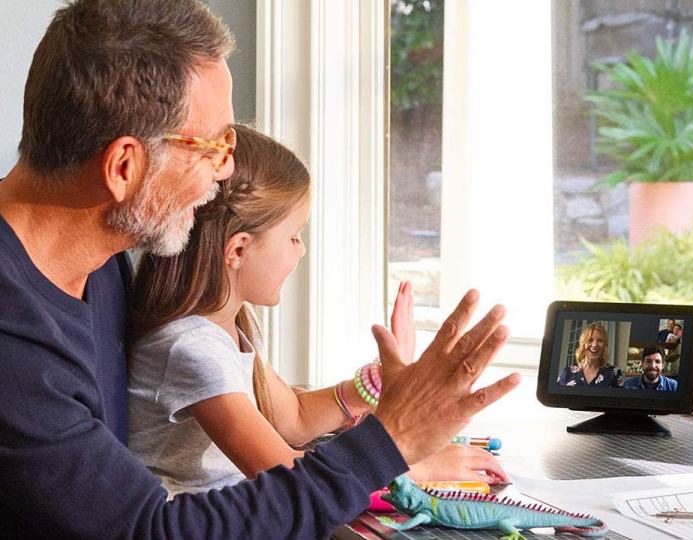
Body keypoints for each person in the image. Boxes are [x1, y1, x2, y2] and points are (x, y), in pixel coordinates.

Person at [0, 1, 520, 538]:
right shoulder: (12, 336)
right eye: (214, 146)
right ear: (125, 167)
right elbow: (153, 531)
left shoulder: (99, 268)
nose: (224, 170)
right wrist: (394, 438)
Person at [126, 125, 508, 498]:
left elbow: (293, 420)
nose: (301, 250)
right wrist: (411, 464)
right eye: (293, 235)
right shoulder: (191, 348)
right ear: (239, 249)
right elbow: (287, 476)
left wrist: (378, 382)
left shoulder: (229, 324)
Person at [557, 323, 623, 387]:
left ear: (604, 346)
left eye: (600, 341)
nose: (594, 345)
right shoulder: (567, 372)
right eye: (590, 340)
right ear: (583, 344)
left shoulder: (614, 373)